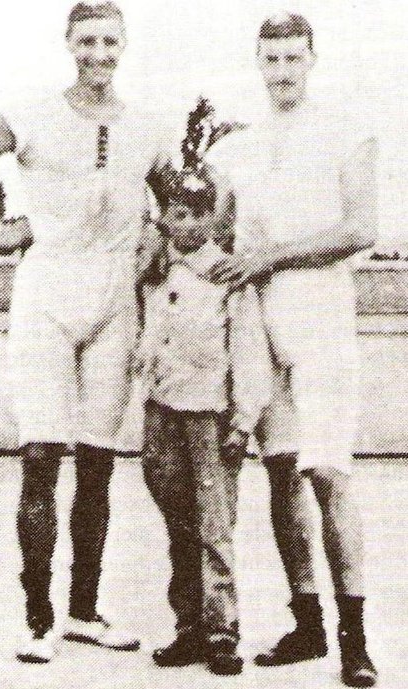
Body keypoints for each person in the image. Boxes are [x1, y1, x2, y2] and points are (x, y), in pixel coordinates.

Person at [0, 1, 173, 663]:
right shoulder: (34, 113)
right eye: (87, 41)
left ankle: (83, 610)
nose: (98, 53)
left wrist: (159, 242)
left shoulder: (148, 127)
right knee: (42, 457)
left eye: (109, 41)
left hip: (114, 298)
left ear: (124, 45)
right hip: (46, 291)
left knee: (99, 466)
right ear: (69, 45)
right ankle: (37, 617)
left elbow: (187, 198)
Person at [205, 12, 378, 688]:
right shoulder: (236, 149)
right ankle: (305, 620)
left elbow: (360, 226)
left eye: (292, 58)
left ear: (312, 59)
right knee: (279, 472)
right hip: (258, 321)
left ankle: (354, 638)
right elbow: (214, 235)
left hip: (320, 316)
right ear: (258, 62)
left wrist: (271, 254)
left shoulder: (347, 131)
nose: (282, 71)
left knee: (328, 472)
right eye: (271, 59)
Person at [138, 133, 273, 675]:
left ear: (215, 221)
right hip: (163, 414)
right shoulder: (157, 275)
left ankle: (222, 630)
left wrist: (243, 422)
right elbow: (148, 343)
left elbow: (248, 353)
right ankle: (188, 625)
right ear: (165, 219)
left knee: (215, 525)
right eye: (177, 213)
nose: (188, 224)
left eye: (199, 214)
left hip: (211, 419)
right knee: (178, 522)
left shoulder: (226, 280)